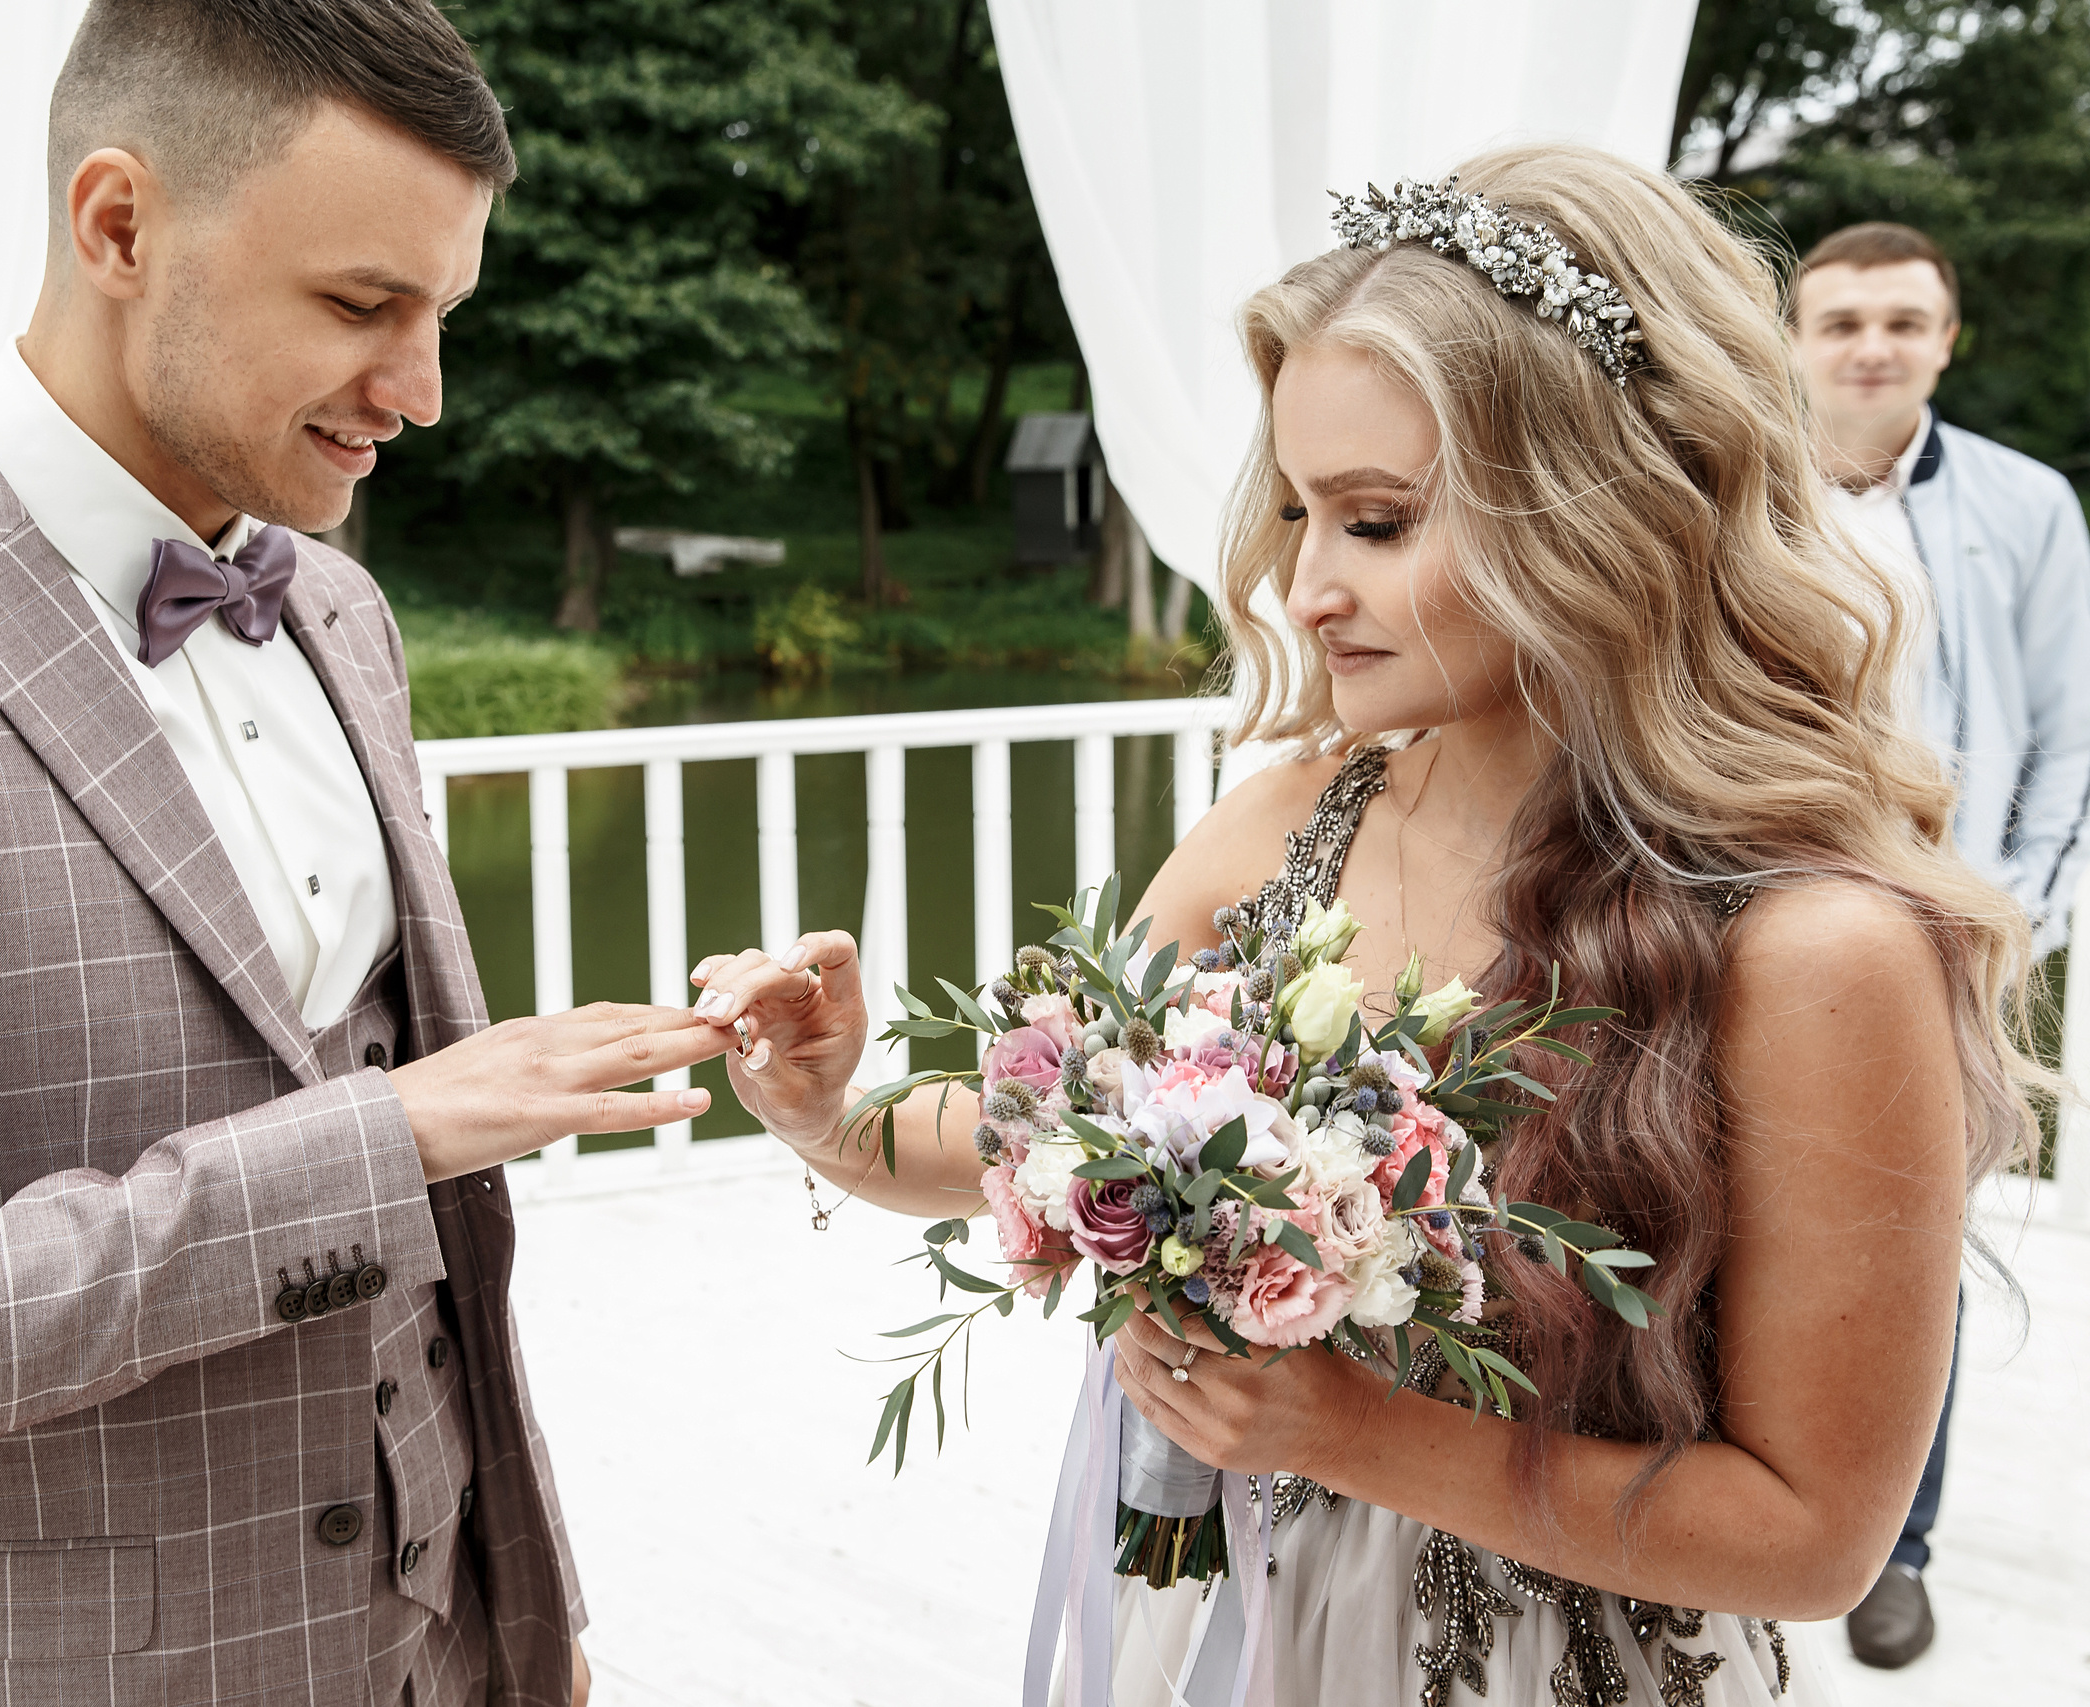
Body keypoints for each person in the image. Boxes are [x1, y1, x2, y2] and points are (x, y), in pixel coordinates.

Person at [691, 144, 2032, 1703]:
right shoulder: (1283, 822)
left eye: (1379, 520)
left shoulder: (1810, 947)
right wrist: (830, 1116)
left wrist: (1346, 1428)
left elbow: (1813, 1537)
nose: (1306, 587)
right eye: (1301, 512)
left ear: (1600, 511)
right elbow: (1051, 1130)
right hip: (1246, 1625)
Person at [0, 3, 727, 1703]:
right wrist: (378, 1141)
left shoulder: (340, 605)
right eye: (363, 306)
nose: (423, 395)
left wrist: (524, 1606)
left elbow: (431, 1277)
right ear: (119, 223)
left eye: (444, 316)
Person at [1790, 221, 2090, 1669]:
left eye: (1904, 321)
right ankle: (1752, 1509)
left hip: (1945, 930)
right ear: (1793, 338)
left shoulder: (2030, 507)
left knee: (1910, 1249)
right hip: (1759, 916)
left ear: (1945, 340)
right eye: (1841, 318)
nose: (1872, 346)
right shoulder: (1734, 493)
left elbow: (2068, 740)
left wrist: (2010, 920)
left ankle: (1890, 1545)